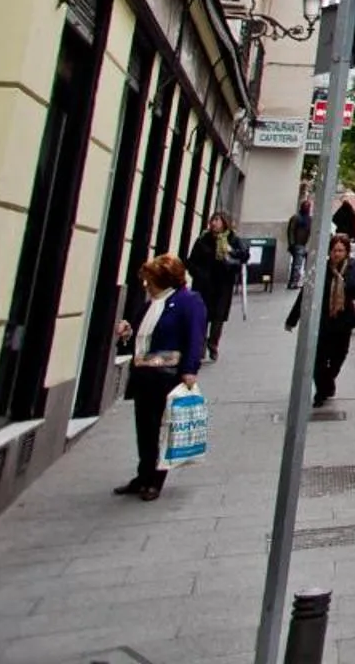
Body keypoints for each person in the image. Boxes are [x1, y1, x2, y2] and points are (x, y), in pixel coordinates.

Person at [112, 254, 205, 501]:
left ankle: (155, 479)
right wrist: (128, 330)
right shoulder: (152, 303)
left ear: (165, 280)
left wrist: (189, 370)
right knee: (144, 428)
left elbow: (195, 338)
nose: (146, 285)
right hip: (143, 374)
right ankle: (143, 474)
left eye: (150, 280)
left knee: (159, 428)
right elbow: (144, 332)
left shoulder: (188, 302)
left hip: (166, 375)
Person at [287, 234, 355, 405]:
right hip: (323, 319)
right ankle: (322, 391)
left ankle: (328, 380)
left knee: (339, 354)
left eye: (341, 251)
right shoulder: (321, 268)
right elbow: (305, 294)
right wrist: (292, 319)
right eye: (335, 250)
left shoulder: (353, 267)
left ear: (346, 252)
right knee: (319, 357)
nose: (337, 254)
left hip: (344, 319)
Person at [184, 211, 247, 360]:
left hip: (223, 284)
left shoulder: (233, 239)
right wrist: (198, 274)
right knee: (202, 315)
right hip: (204, 284)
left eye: (217, 220)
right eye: (213, 220)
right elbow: (191, 261)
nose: (214, 223)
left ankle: (213, 344)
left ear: (224, 222)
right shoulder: (203, 240)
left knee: (218, 316)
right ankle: (199, 347)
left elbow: (244, 255)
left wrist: (232, 253)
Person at [285, 199, 314, 290]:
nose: (307, 208)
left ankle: (300, 281)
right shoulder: (296, 218)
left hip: (305, 244)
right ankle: (293, 282)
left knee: (305, 265)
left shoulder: (309, 219)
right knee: (297, 265)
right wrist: (292, 244)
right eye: (306, 206)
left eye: (308, 206)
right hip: (298, 244)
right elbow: (291, 231)